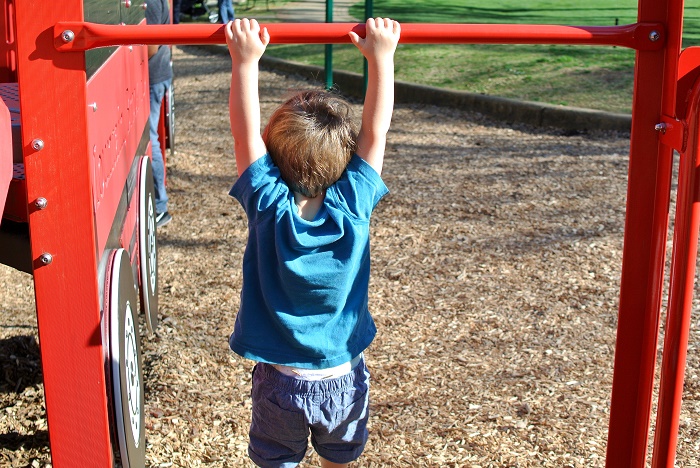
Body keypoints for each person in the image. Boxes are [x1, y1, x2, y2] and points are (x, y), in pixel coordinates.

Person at [225, 17, 400, 468]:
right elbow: (376, 132)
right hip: (343, 379)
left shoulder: (268, 204)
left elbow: (244, 134)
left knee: (277, 460)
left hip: (281, 382)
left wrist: (245, 61)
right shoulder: (354, 203)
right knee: (338, 459)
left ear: (273, 155)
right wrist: (382, 57)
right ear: (345, 159)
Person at [146, 0, 173, 227]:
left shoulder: (151, 2)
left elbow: (150, 47)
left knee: (149, 137)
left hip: (152, 77)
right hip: (155, 74)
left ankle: (159, 205)